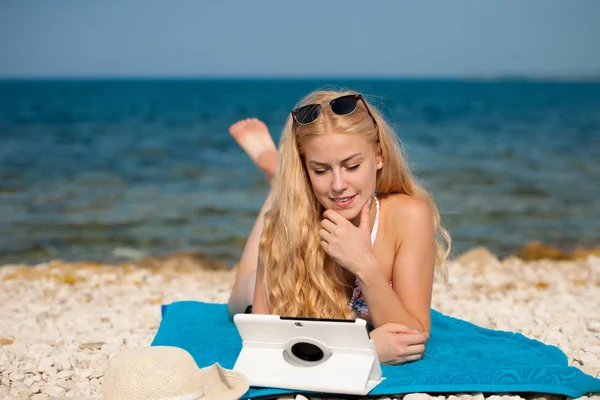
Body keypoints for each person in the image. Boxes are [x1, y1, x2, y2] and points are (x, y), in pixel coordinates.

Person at [227, 90, 451, 365]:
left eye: (352, 166)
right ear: (306, 171)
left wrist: (364, 265)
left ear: (378, 156)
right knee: (241, 294)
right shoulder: (286, 223)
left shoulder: (408, 216)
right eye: (320, 170)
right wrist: (365, 351)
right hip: (262, 274)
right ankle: (277, 175)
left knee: (285, 204)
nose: (338, 185)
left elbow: (414, 338)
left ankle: (277, 175)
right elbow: (262, 346)